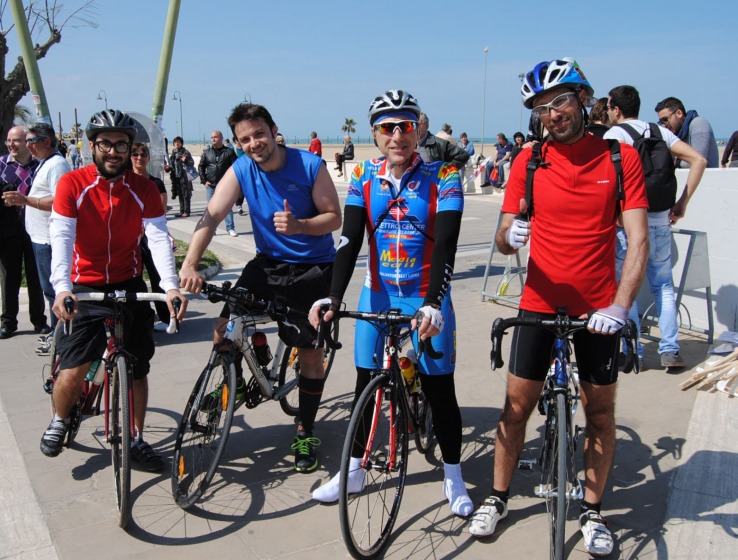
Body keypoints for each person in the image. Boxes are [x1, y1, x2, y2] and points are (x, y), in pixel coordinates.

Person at [467, 58, 649, 558]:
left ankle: (591, 510)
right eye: (542, 108)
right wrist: (510, 235)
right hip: (538, 305)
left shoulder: (618, 159)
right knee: (515, 409)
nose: (552, 114)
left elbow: (637, 240)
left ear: (584, 99)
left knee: (602, 414)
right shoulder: (528, 160)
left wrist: (622, 305)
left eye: (561, 102)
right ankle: (499, 497)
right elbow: (505, 237)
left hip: (598, 310)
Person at [308, 89, 473, 516]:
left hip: (424, 295)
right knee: (366, 382)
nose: (397, 135)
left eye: (405, 126)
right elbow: (348, 242)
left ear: (418, 129)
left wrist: (435, 302)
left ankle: (454, 478)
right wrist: (331, 296)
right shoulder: (363, 174)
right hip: (377, 292)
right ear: (375, 134)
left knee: (440, 389)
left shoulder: (446, 175)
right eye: (387, 127)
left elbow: (448, 246)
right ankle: (354, 470)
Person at [179, 102, 342, 473]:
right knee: (223, 331)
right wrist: (190, 262)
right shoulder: (241, 168)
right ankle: (239, 370)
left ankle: (305, 430)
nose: (254, 143)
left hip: (312, 270)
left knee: (311, 357)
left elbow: (334, 217)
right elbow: (213, 215)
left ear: (273, 130)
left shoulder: (309, 165)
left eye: (259, 134)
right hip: (266, 266)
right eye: (245, 139)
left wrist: (300, 225)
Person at [39, 109, 187, 470]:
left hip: (128, 282)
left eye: (122, 144)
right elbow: (61, 236)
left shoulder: (144, 189)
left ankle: (135, 438)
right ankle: (60, 419)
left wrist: (170, 286)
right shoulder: (73, 184)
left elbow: (156, 238)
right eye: (106, 143)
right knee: (74, 370)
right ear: (92, 146)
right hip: (84, 284)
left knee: (137, 369)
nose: (114, 151)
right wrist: (61, 289)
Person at [605, 85, 707, 368]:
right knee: (664, 286)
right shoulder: (659, 131)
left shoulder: (616, 135)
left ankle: (632, 350)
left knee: (629, 286)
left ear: (616, 109)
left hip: (628, 225)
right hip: (662, 220)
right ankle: (670, 349)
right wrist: (682, 202)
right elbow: (699, 159)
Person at [0, 122, 70, 347]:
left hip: (48, 240)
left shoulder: (56, 165)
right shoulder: (45, 163)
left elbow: (60, 201)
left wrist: (25, 200)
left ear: (47, 141)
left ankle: (60, 335)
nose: (27, 146)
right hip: (39, 238)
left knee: (52, 291)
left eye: (31, 141)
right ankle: (58, 333)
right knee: (47, 289)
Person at [0, 125, 49, 340]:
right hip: (8, 230)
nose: (12, 145)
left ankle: (39, 321)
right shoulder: (0, 165)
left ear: (28, 142)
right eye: (9, 141)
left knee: (36, 278)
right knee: (9, 277)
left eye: (17, 141)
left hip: (35, 230)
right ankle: (8, 323)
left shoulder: (39, 166)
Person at [131, 142, 174, 332]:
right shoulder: (125, 182)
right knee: (134, 279)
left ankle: (167, 317)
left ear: (148, 158)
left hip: (149, 237)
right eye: (135, 154)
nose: (139, 157)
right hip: (130, 238)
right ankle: (140, 318)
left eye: (143, 154)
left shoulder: (155, 183)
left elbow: (161, 212)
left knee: (157, 276)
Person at [654, 97, 718, 168]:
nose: (663, 124)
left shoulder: (699, 124)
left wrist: (674, 162)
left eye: (665, 119)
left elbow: (698, 161)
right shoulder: (674, 133)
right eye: (661, 121)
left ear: (679, 113)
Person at [198, 130, 238, 236]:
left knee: (227, 207)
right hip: (210, 185)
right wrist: (204, 181)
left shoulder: (229, 152)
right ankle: (212, 229)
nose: (213, 139)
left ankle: (230, 228)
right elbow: (201, 166)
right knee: (211, 208)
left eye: (215, 137)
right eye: (212, 137)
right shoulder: (207, 152)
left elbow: (235, 167)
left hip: (224, 185)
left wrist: (231, 181)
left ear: (221, 138)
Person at [167, 136, 194, 217]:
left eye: (178, 142)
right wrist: (168, 168)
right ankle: (181, 211)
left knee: (186, 194)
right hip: (176, 176)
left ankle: (187, 211)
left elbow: (191, 163)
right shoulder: (174, 153)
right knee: (180, 194)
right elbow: (172, 165)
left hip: (184, 176)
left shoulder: (185, 152)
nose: (177, 144)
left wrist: (185, 160)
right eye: (175, 142)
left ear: (181, 143)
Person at [232, 137, 246, 215]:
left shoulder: (246, 149)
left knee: (245, 191)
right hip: (237, 173)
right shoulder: (232, 149)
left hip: (246, 173)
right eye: (237, 140)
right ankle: (239, 207)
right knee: (239, 192)